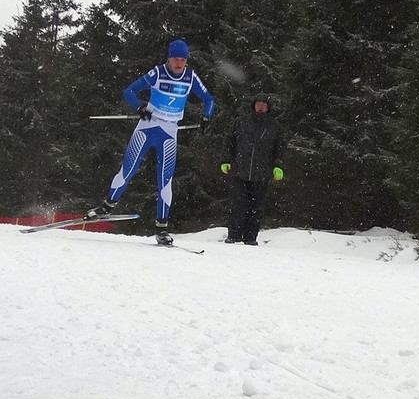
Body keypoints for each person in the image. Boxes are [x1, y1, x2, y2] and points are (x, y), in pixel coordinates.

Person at [86, 39, 215, 245]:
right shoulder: (157, 73)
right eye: (175, 59)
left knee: (165, 180)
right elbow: (128, 91)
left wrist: (206, 116)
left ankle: (161, 228)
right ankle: (107, 206)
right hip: (147, 127)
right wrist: (139, 108)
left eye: (182, 59)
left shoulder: (190, 77)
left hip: (169, 132)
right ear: (168, 58)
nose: (178, 63)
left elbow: (209, 100)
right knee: (128, 170)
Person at [221, 93, 287, 246]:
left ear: (268, 108)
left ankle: (250, 238)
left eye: (264, 105)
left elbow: (280, 148)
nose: (261, 107)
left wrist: (278, 166)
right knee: (237, 205)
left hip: (262, 174)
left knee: (256, 208)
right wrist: (225, 160)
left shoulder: (275, 126)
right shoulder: (241, 122)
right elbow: (229, 141)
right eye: (258, 104)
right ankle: (233, 236)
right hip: (239, 171)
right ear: (253, 105)